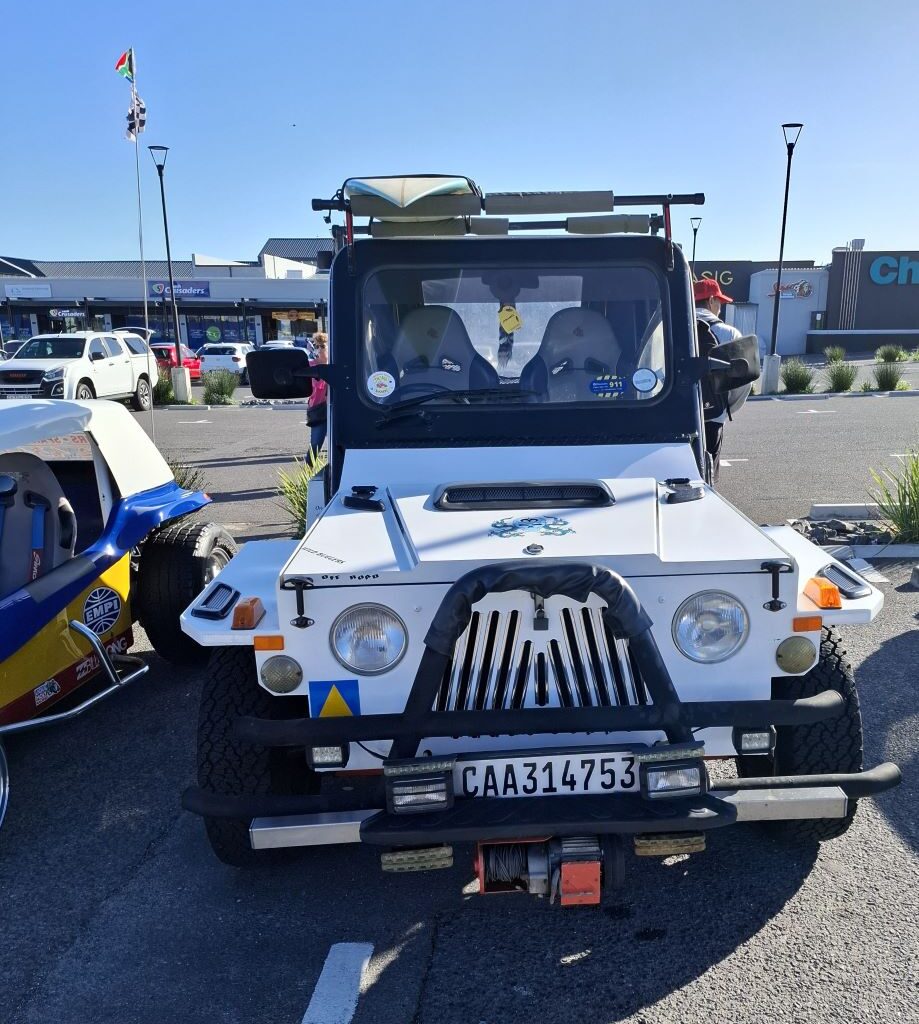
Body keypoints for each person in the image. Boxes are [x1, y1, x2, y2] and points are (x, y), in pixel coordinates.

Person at [693, 278, 749, 482]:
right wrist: (724, 410)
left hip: (677, 416)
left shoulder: (670, 329)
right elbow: (743, 381)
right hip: (713, 415)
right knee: (707, 474)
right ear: (710, 301)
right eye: (719, 303)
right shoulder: (729, 333)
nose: (720, 308)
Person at [306, 333, 328, 454]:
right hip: (318, 409)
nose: (320, 349)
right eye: (317, 346)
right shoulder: (310, 366)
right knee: (315, 445)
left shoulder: (336, 365)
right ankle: (308, 471)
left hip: (338, 410)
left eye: (323, 346)